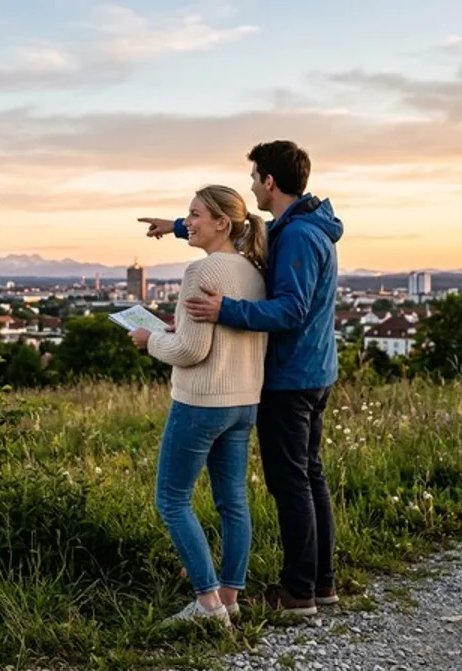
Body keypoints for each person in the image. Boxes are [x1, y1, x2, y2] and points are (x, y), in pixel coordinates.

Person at [142, 140, 344, 617]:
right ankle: (320, 583)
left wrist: (223, 309)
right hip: (310, 372)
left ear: (269, 181)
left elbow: (291, 310)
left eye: (254, 177)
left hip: (292, 376)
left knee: (290, 482)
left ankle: (299, 591)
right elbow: (241, 227)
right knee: (307, 476)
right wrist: (177, 226)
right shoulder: (298, 228)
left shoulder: (296, 236)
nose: (251, 185)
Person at [129, 184, 267, 626]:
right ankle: (230, 595)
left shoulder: (201, 271)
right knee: (233, 502)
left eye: (194, 215)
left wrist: (151, 339)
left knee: (172, 500)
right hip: (244, 400)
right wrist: (176, 328)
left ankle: (208, 604)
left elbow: (191, 351)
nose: (186, 222)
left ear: (222, 223)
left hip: (202, 401)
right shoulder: (254, 271)